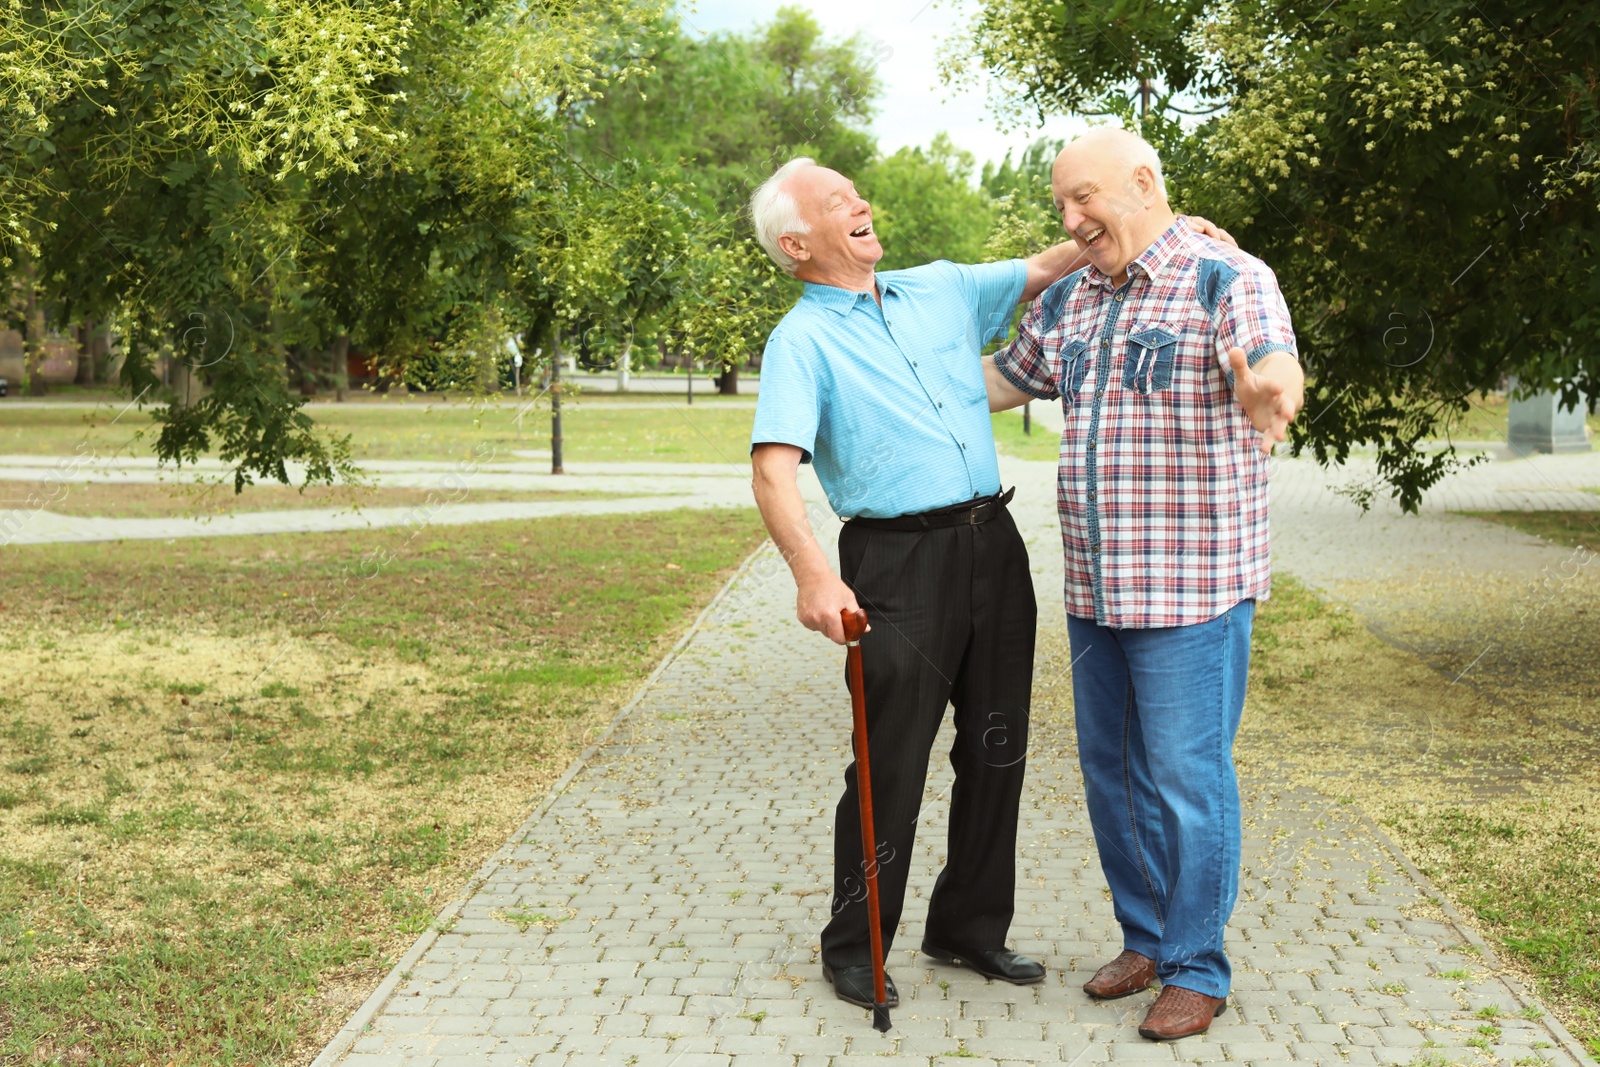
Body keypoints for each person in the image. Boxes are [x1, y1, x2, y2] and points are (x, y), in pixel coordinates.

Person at [746, 155, 1234, 1011]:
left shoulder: (938, 287)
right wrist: (813, 574)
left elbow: (1061, 258)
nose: (861, 203)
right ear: (797, 242)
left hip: (993, 544)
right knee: (889, 761)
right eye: (837, 203)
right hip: (895, 563)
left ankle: (968, 926)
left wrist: (1169, 227)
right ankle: (856, 944)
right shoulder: (802, 340)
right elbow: (774, 471)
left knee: (997, 749)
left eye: (855, 190)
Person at [983, 127, 1304, 1041]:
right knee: (1111, 776)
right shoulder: (1075, 300)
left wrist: (1271, 394)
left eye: (1085, 198)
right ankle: (1148, 936)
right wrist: (886, 385)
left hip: (1192, 592)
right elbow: (1005, 380)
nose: (1073, 220)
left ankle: (1198, 968)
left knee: (1187, 780)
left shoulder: (1226, 277)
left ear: (1143, 180)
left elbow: (1273, 363)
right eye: (1061, 207)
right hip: (1096, 588)